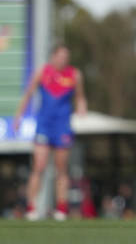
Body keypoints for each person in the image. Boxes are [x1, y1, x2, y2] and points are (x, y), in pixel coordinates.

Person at [13, 43, 88, 221]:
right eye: (60, 56)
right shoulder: (42, 72)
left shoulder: (74, 75)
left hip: (63, 126)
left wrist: (82, 108)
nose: (63, 60)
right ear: (53, 56)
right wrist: (18, 117)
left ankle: (61, 208)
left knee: (61, 169)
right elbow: (28, 95)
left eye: (66, 57)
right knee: (39, 166)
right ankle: (31, 208)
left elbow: (80, 97)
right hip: (44, 125)